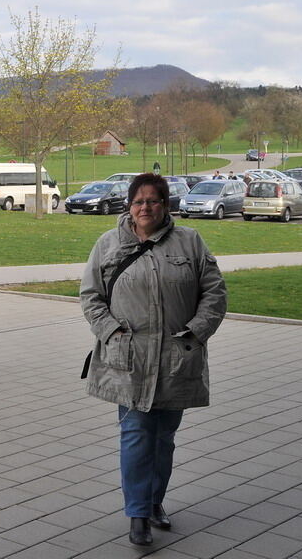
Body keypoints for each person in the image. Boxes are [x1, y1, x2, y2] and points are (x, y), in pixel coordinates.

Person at [80, 173, 227, 546]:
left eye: (153, 200)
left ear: (166, 204)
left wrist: (195, 333)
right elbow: (91, 296)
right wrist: (111, 332)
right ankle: (138, 514)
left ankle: (155, 500)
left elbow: (214, 293)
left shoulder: (189, 243)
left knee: (164, 438)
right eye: (138, 201)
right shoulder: (109, 244)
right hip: (129, 361)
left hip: (176, 358)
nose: (145, 207)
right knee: (135, 436)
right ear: (129, 206)